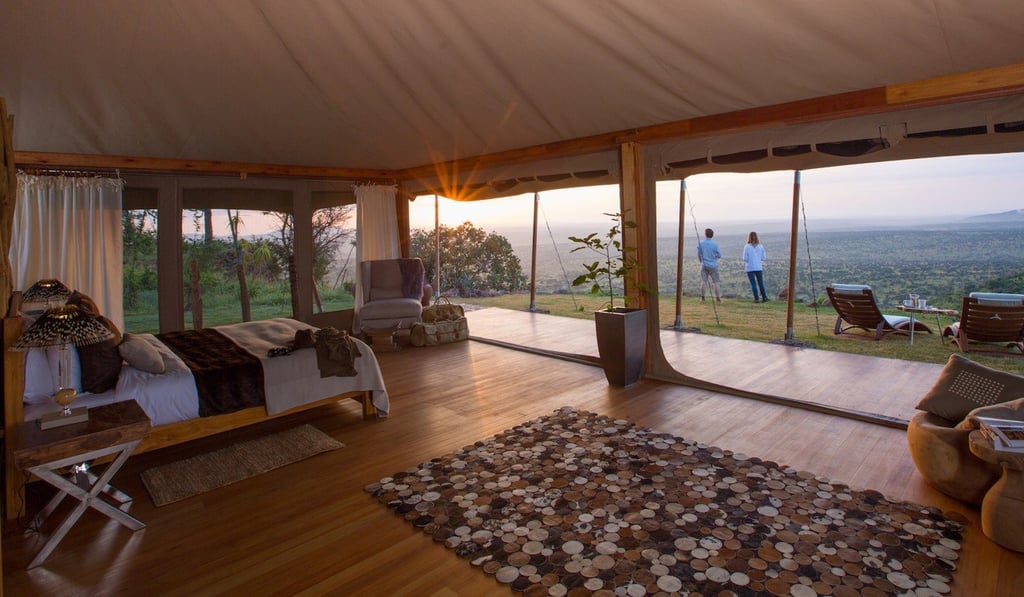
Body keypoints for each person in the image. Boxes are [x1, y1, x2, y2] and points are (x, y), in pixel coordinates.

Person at [742, 231, 769, 302]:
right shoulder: (760, 246)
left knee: (753, 284)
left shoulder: (747, 247)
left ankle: (756, 298)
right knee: (761, 283)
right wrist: (757, 260)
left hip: (750, 267)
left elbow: (745, 258)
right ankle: (764, 297)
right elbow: (763, 258)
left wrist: (750, 260)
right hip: (758, 267)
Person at [697, 228, 722, 302]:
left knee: (703, 281)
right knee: (716, 282)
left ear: (705, 234)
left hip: (704, 265)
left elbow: (699, 254)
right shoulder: (715, 244)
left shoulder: (701, 243)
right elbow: (719, 255)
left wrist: (701, 261)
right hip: (713, 265)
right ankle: (718, 298)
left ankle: (702, 297)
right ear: (712, 235)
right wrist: (714, 257)